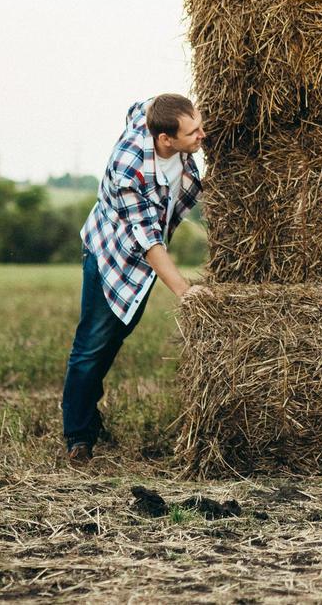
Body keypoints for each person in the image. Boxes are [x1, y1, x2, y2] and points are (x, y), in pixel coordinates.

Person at [61, 93, 207, 465]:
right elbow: (147, 241)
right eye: (193, 133)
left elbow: (140, 106)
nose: (202, 135)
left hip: (141, 263)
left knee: (114, 339)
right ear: (165, 140)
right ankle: (78, 436)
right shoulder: (130, 171)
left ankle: (90, 419)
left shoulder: (159, 117)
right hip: (112, 254)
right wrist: (184, 291)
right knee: (92, 343)